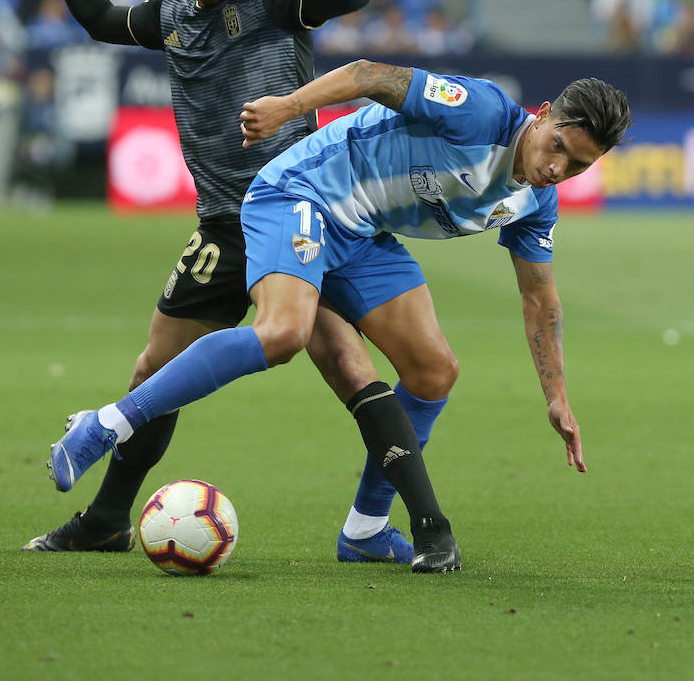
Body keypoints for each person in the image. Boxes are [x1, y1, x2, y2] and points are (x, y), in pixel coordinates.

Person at [47, 60, 632, 570]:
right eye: (558, 146)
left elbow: (540, 299)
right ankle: (106, 424)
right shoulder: (480, 113)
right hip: (301, 193)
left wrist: (556, 397)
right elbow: (369, 76)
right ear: (546, 113)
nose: (558, 168)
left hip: (362, 233)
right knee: (283, 334)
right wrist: (287, 108)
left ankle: (366, 530)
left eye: (577, 166)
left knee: (434, 370)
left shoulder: (535, 201)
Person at [23, 0, 436, 568]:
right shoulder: (172, 13)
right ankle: (106, 520)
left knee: (345, 361)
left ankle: (420, 527)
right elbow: (98, 20)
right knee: (155, 370)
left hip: (302, 214)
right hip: (224, 225)